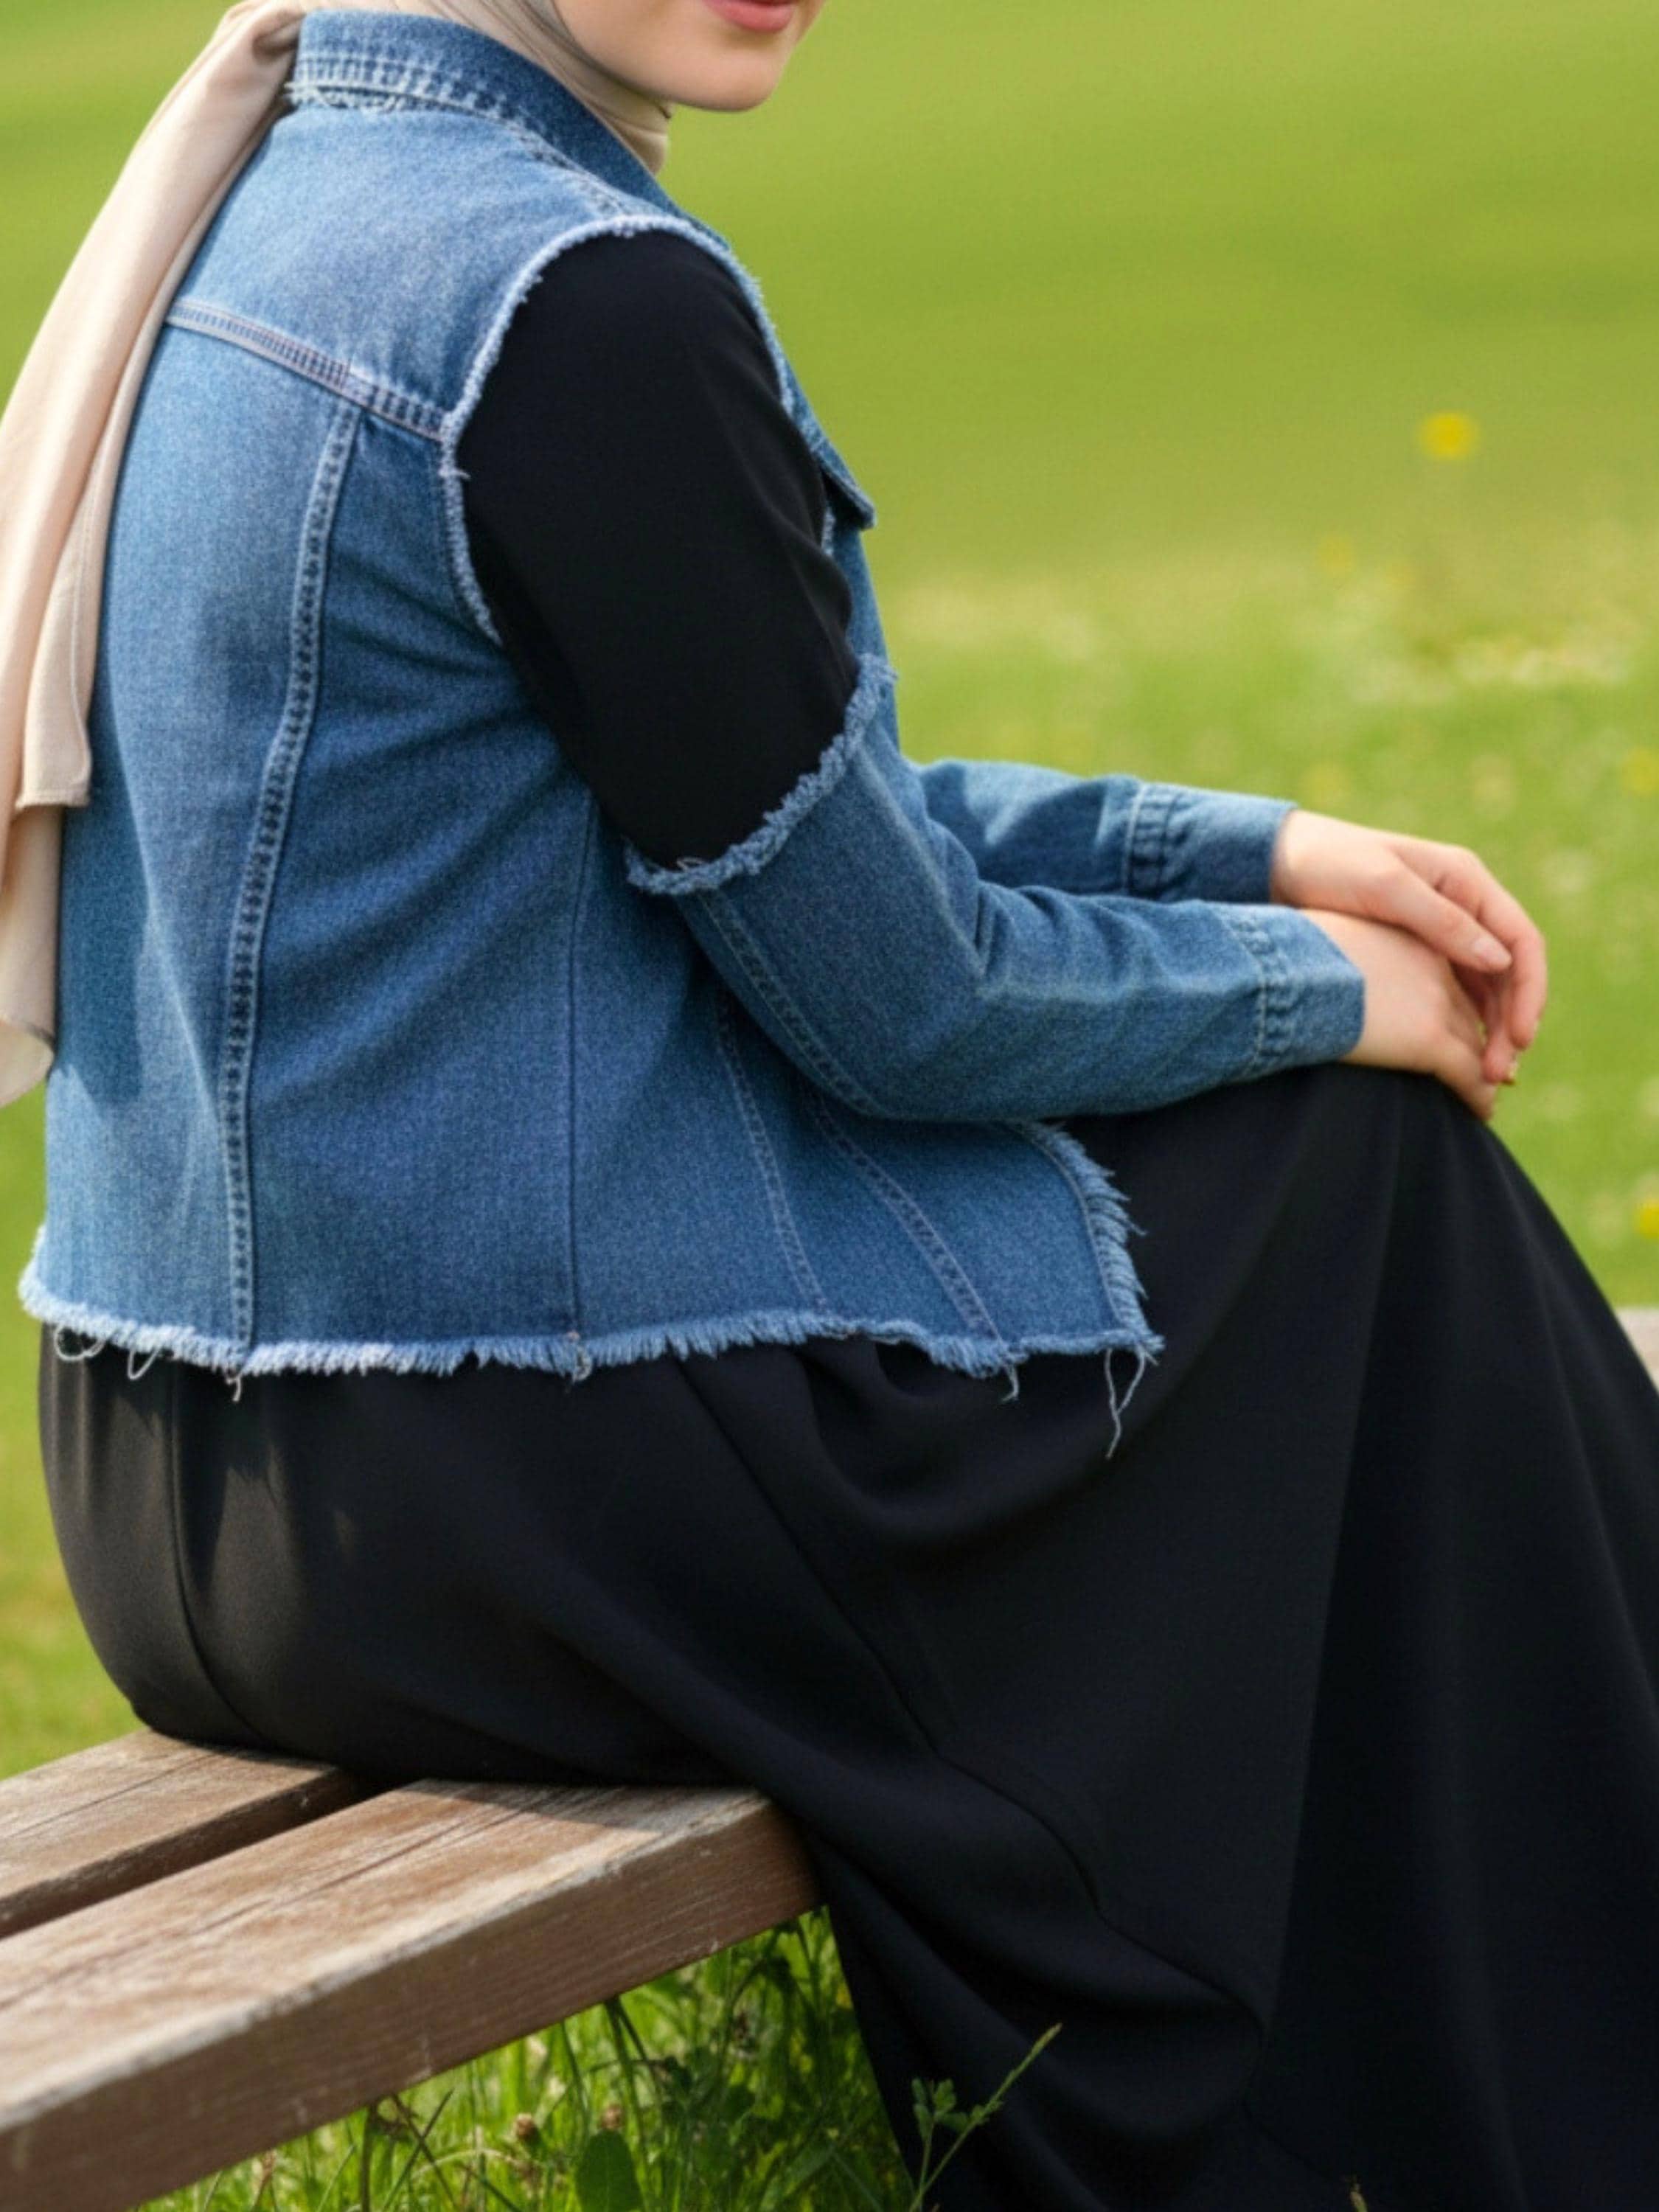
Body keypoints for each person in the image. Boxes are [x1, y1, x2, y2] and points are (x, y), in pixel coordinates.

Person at [1, 4, 1655, 2206]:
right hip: (492, 1495)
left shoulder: (275, 195)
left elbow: (752, 799)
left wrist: (1245, 856)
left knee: (1330, 1221)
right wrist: (1329, 993)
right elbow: (904, 1005)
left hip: (174, 1486)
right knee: (1358, 1175)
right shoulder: (570, 298)